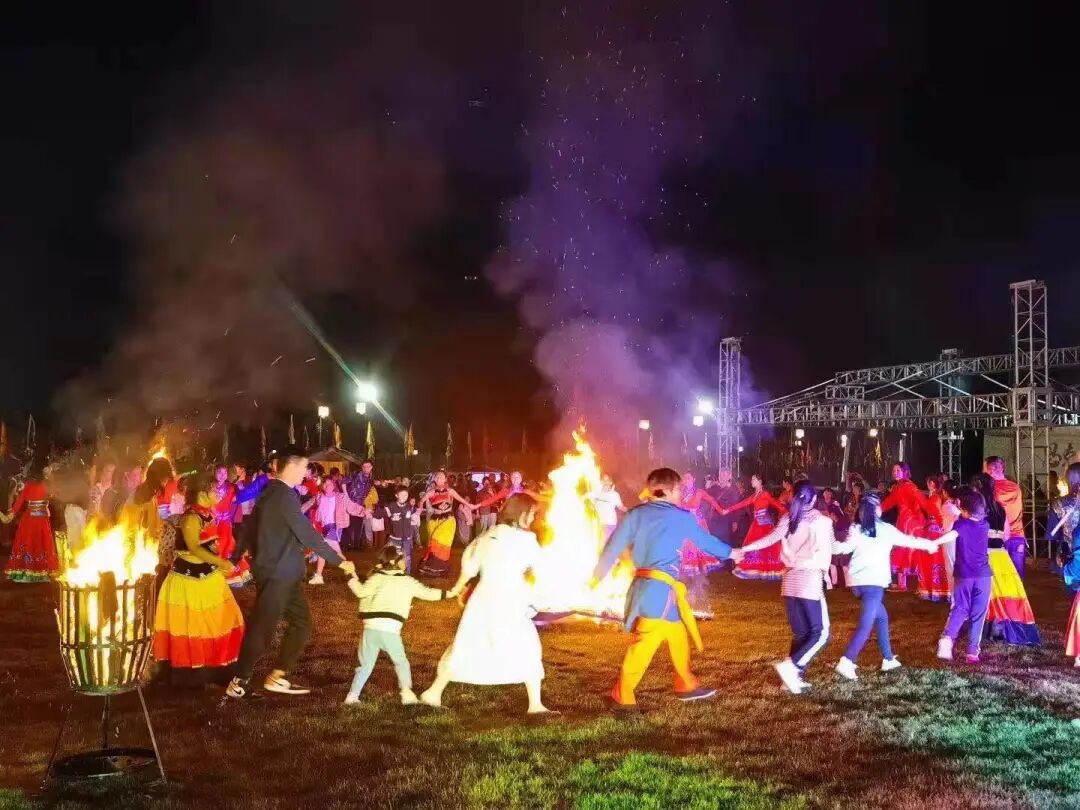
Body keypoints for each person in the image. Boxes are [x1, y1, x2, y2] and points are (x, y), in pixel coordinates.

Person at [592, 468, 734, 713]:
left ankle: (685, 685)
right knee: (645, 643)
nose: (681, 493)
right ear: (669, 490)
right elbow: (706, 541)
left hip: (645, 589)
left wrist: (596, 578)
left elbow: (612, 548)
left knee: (677, 634)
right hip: (659, 593)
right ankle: (621, 697)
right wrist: (732, 552)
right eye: (679, 489)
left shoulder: (635, 515)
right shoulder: (681, 517)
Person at [225, 446, 356, 700]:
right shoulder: (283, 495)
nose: (306, 473)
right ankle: (239, 681)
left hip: (283, 572)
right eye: (304, 467)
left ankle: (277, 676)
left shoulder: (271, 491)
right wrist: (339, 561)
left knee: (301, 623)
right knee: (263, 627)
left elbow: (250, 527)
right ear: (292, 466)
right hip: (278, 573)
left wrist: (235, 556)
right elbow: (306, 533)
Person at [420, 494, 555, 715]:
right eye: (532, 513)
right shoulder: (526, 540)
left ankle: (434, 692)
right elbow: (542, 569)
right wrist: (543, 597)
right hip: (510, 598)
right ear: (522, 514)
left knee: (467, 644)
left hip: (483, 597)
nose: (533, 518)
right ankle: (535, 705)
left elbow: (470, 565)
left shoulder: (487, 536)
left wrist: (458, 588)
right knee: (527, 645)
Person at [830, 492, 956, 680]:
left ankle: (888, 659)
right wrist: (929, 545)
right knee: (865, 625)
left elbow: (842, 548)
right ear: (877, 510)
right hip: (873, 584)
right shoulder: (886, 529)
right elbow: (909, 541)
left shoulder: (857, 528)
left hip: (857, 584)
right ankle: (847, 661)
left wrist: (829, 540)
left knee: (881, 617)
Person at [735, 481, 834, 695]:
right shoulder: (822, 521)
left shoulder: (789, 518)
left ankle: (790, 680)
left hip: (789, 581)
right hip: (809, 580)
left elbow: (770, 538)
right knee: (820, 633)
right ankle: (792, 667)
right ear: (814, 498)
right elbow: (827, 551)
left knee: (801, 633)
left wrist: (746, 548)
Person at [153, 473, 245, 686]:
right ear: (202, 494)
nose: (218, 494)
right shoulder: (191, 517)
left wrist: (219, 562)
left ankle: (219, 668)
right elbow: (194, 547)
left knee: (223, 619)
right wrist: (221, 562)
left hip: (208, 577)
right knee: (194, 626)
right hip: (188, 582)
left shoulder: (207, 514)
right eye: (214, 490)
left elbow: (207, 544)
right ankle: (193, 676)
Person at [344, 544, 451, 705]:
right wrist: (450, 593)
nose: (405, 561)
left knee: (365, 665)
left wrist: (350, 576)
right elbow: (428, 593)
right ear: (395, 562)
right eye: (402, 558)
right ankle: (407, 694)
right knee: (401, 662)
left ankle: (352, 696)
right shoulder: (406, 581)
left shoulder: (376, 577)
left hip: (369, 629)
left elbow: (360, 592)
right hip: (390, 630)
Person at [936, 487, 993, 664]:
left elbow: (951, 535)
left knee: (960, 608)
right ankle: (972, 652)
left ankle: (947, 639)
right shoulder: (985, 525)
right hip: (983, 576)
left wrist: (934, 542)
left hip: (964, 575)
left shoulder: (961, 525)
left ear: (964, 509)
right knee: (978, 613)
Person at [880, 463, 943, 593]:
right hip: (903, 522)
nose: (895, 472)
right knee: (902, 550)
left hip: (912, 524)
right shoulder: (898, 487)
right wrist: (876, 510)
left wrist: (939, 519)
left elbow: (923, 503)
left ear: (905, 472)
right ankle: (902, 584)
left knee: (908, 552)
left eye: (898, 470)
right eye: (894, 470)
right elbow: (889, 502)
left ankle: (914, 585)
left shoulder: (909, 486)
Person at [721, 474, 787, 581]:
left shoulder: (764, 494)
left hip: (765, 525)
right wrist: (728, 510)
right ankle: (757, 569)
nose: (751, 481)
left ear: (760, 481)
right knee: (755, 546)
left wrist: (788, 513)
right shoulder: (754, 496)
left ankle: (766, 570)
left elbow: (776, 504)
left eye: (753, 479)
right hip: (756, 524)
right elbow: (742, 504)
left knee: (766, 547)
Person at [2, 463, 58, 582]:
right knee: (41, 543)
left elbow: (19, 502)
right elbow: (54, 495)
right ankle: (42, 570)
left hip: (29, 519)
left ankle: (26, 569)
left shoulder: (28, 485)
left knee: (28, 542)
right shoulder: (47, 484)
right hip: (42, 518)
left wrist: (10, 514)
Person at [308, 477, 367, 585]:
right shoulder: (319, 497)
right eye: (325, 484)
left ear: (333, 485)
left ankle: (351, 573)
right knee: (326, 551)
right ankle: (351, 574)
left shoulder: (340, 497)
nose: (327, 486)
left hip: (334, 527)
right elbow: (309, 505)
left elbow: (352, 506)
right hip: (324, 527)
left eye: (330, 484)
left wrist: (363, 511)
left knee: (329, 551)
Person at [417, 471, 473, 577]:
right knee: (433, 543)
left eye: (441, 477)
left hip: (448, 520)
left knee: (440, 541)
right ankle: (434, 566)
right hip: (434, 521)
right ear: (435, 479)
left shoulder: (450, 491)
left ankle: (438, 566)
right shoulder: (431, 492)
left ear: (445, 479)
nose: (439, 478)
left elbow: (461, 500)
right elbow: (421, 501)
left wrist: (470, 506)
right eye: (437, 477)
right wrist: (420, 507)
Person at [984, 456, 1027, 578]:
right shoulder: (1016, 487)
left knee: (999, 577)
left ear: (991, 470)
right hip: (1018, 535)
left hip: (997, 537)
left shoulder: (990, 490)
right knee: (1017, 576)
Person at [1057, 463, 1080, 668]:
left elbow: (1054, 533)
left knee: (1075, 604)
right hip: (1073, 557)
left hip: (1071, 559)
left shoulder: (1061, 504)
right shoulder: (1065, 504)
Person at [372, 486, 420, 574]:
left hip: (407, 539)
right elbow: (378, 514)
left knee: (407, 558)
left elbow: (414, 512)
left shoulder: (409, 506)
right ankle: (393, 574)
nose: (404, 497)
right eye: (402, 495)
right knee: (393, 557)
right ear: (396, 495)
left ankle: (407, 575)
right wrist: (372, 513)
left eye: (406, 495)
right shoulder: (391, 506)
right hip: (395, 539)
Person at [345, 460, 378, 549]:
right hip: (354, 504)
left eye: (368, 466)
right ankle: (350, 545)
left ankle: (357, 545)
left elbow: (372, 496)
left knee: (360, 526)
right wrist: (346, 496)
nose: (366, 468)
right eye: (364, 467)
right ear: (362, 467)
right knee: (352, 525)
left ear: (371, 467)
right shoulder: (356, 474)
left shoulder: (371, 478)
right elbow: (343, 482)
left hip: (363, 506)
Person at [707, 469, 742, 545]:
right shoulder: (714, 488)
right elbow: (706, 498)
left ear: (729, 477)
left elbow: (736, 507)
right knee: (713, 542)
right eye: (720, 475)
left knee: (724, 542)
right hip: (714, 520)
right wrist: (708, 486)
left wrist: (735, 521)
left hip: (726, 521)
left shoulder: (733, 490)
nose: (721, 477)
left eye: (724, 475)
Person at [588, 474, 626, 540]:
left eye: (607, 480)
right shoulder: (596, 493)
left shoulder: (614, 494)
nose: (605, 482)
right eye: (603, 480)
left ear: (611, 482)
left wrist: (632, 511)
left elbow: (621, 507)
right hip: (598, 524)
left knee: (606, 543)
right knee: (598, 543)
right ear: (601, 482)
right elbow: (585, 499)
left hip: (610, 524)